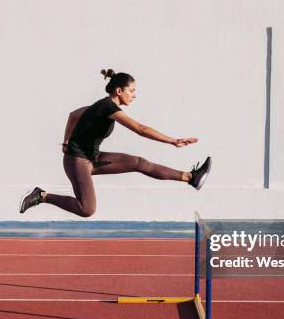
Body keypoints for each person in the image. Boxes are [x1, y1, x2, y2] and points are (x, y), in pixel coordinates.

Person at [19, 69, 212, 217]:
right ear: (119, 91)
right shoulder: (107, 107)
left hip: (91, 158)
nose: (134, 95)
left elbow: (74, 115)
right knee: (87, 209)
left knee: (139, 163)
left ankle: (191, 177)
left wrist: (66, 141)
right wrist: (173, 141)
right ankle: (42, 196)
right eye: (132, 91)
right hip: (77, 161)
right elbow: (140, 129)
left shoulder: (101, 105)